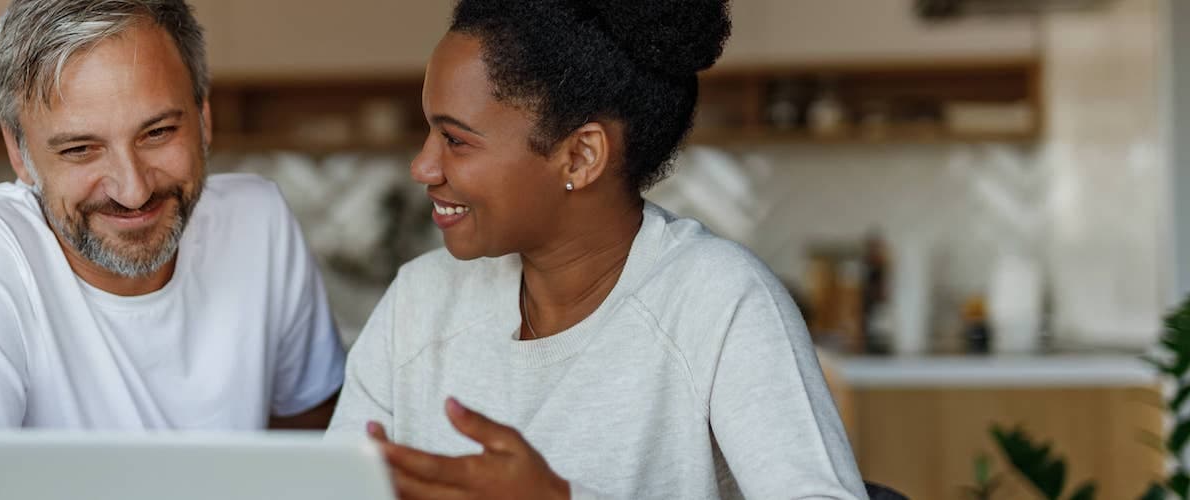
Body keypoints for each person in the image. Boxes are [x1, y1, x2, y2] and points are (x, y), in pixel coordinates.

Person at [326, 0, 868, 498]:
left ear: (581, 156)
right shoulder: (418, 302)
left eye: (456, 140)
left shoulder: (718, 301)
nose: (422, 166)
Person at [0, 0, 345, 497]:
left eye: (158, 132)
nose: (133, 189)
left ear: (203, 119)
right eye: (80, 149)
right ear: (20, 152)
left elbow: (313, 449)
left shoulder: (259, 221)